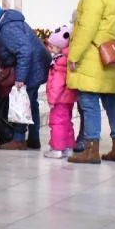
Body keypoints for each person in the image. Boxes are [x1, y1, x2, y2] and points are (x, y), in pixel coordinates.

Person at [67, 0, 115, 165]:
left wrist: (74, 55)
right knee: (111, 100)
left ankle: (91, 149)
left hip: (92, 55)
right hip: (110, 54)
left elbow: (86, 28)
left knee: (89, 100)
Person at [0, 3, 50, 151]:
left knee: (22, 103)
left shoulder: (7, 28)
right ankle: (33, 138)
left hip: (30, 68)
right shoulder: (9, 22)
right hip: (36, 65)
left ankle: (19, 139)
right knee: (31, 102)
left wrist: (20, 78)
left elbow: (24, 51)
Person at [44, 23, 77, 159]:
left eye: (52, 47)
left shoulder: (60, 62)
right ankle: (68, 147)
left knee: (57, 123)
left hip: (59, 99)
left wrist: (52, 99)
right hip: (68, 98)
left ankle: (57, 149)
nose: (50, 49)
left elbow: (57, 83)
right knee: (67, 122)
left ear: (59, 47)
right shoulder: (68, 58)